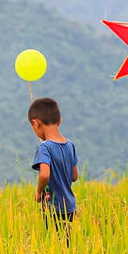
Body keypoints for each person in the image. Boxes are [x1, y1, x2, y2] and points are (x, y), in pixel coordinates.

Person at [29, 97, 78, 240]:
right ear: (60, 121)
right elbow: (74, 176)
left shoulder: (44, 147)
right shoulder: (70, 145)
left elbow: (44, 175)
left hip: (53, 207)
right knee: (67, 243)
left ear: (35, 123)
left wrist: (38, 192)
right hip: (70, 206)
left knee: (53, 244)